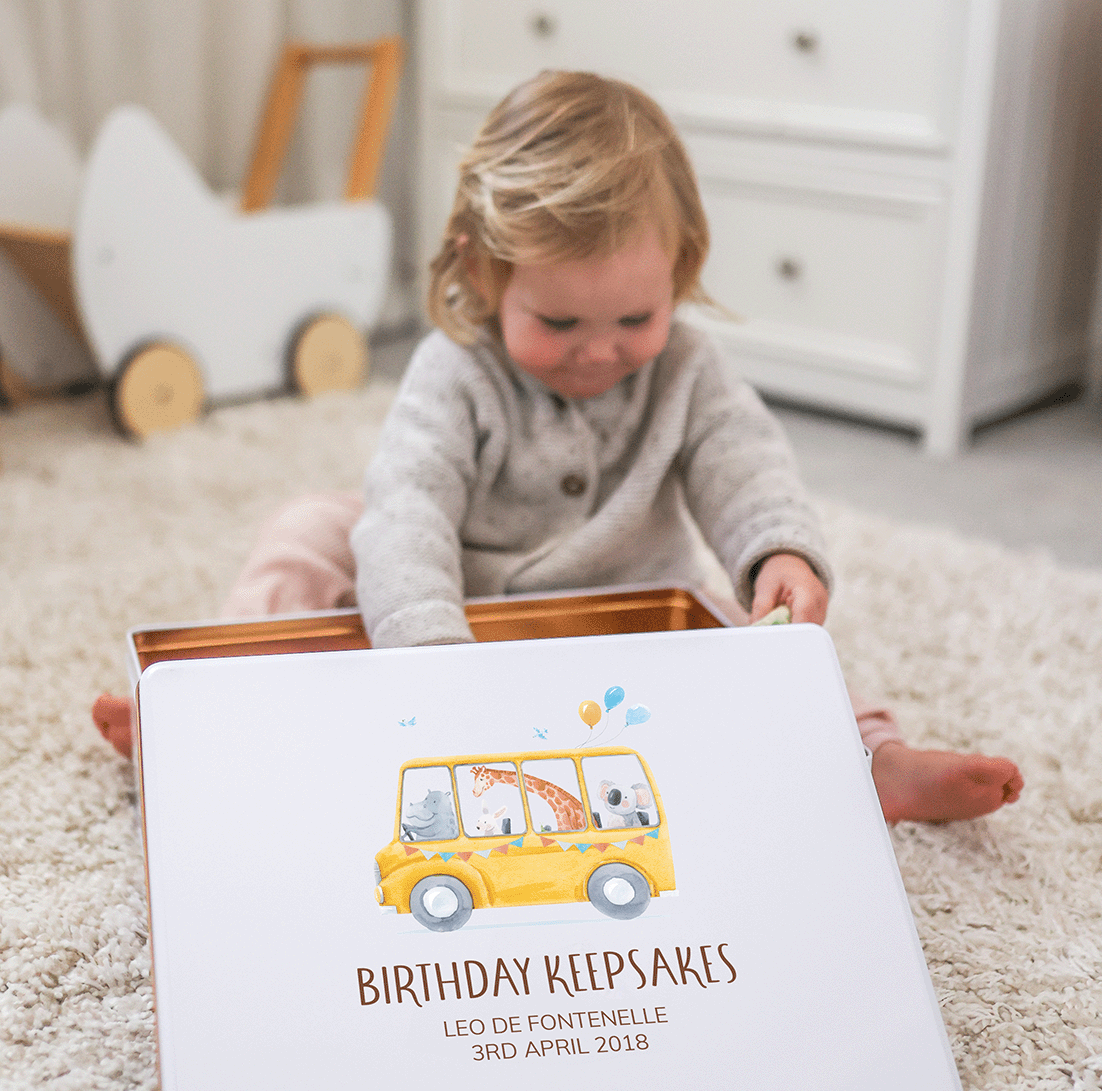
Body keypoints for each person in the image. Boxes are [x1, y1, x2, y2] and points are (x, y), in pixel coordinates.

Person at [94, 70, 1023, 825]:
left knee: (773, 646)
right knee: (313, 529)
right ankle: (207, 708)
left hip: (631, 609)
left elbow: (744, 462)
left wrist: (780, 550)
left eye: (635, 317)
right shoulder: (454, 367)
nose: (598, 351)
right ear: (481, 271)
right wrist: (430, 655)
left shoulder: (689, 368)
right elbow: (410, 508)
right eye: (559, 321)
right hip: (460, 601)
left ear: (681, 271)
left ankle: (872, 760)